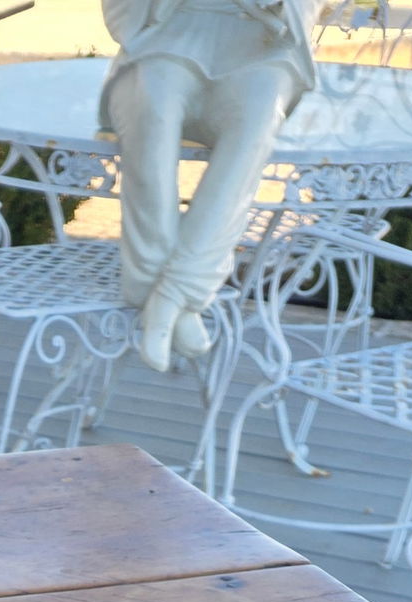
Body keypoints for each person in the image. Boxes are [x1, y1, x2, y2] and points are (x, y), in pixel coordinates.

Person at [100, 0, 320, 368]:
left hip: (260, 42)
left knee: (258, 117)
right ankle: (159, 285)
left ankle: (172, 293)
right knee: (153, 103)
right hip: (170, 32)